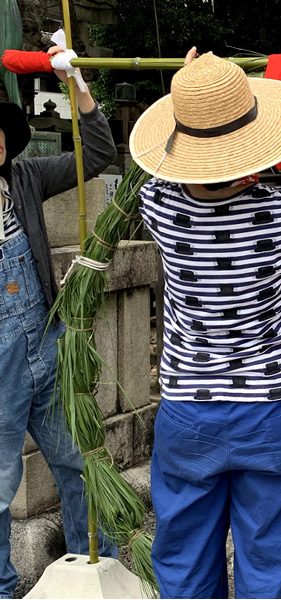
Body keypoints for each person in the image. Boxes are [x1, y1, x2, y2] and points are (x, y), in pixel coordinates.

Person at [129, 50, 281, 599]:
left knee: (183, 557)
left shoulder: (158, 205)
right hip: (274, 408)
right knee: (266, 555)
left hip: (189, 410)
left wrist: (196, 89)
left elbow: (162, 169)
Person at [0, 47, 117, 598]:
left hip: (45, 344)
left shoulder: (23, 180)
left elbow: (97, 155)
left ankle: (98, 567)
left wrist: (77, 85)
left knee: (77, 460)